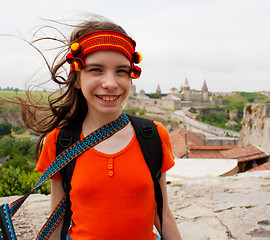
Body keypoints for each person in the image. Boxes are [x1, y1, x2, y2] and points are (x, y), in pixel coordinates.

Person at [15, 18, 182, 240]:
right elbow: (57, 223)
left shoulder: (153, 136)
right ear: (77, 79)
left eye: (121, 71)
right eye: (96, 70)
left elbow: (163, 216)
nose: (111, 83)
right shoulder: (60, 141)